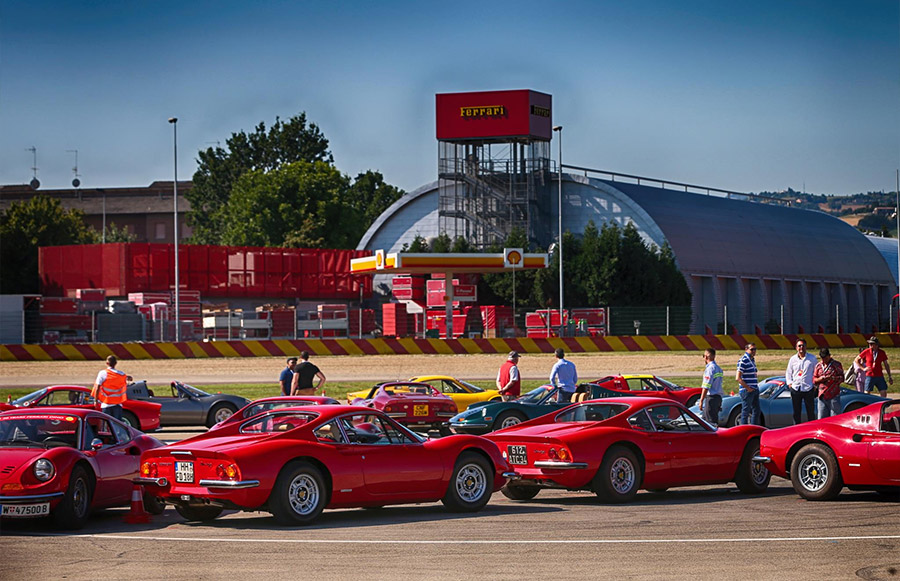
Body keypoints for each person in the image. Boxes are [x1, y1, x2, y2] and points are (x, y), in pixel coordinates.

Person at [785, 338, 817, 424]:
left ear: (806, 347)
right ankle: (797, 430)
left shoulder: (812, 358)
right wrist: (790, 384)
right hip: (796, 388)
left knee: (810, 411)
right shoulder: (792, 359)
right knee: (796, 412)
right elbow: (788, 372)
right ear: (796, 348)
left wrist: (814, 385)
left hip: (808, 388)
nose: (801, 347)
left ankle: (811, 429)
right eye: (799, 346)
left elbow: (816, 372)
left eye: (803, 345)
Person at [90, 355, 128, 421]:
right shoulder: (122, 374)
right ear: (116, 363)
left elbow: (97, 387)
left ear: (107, 363)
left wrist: (95, 401)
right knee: (117, 426)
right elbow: (124, 379)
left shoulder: (103, 373)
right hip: (118, 405)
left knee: (106, 426)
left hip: (106, 404)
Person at [813, 348, 844, 420]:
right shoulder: (818, 366)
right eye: (822, 358)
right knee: (821, 418)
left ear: (829, 356)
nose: (824, 360)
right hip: (822, 395)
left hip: (833, 395)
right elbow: (814, 380)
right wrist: (822, 379)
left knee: (835, 418)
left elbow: (842, 378)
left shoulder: (836, 365)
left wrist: (833, 378)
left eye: (825, 358)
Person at [697, 348, 724, 427]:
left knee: (710, 424)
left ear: (706, 357)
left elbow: (706, 386)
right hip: (718, 397)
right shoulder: (718, 368)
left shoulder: (710, 369)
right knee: (706, 421)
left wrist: (701, 400)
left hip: (711, 398)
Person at [736, 343, 760, 425]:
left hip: (754, 389)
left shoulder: (752, 360)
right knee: (745, 412)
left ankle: (753, 427)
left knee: (756, 411)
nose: (754, 351)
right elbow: (738, 378)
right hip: (747, 391)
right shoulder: (743, 360)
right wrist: (748, 388)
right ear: (746, 349)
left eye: (755, 349)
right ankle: (744, 429)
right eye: (751, 349)